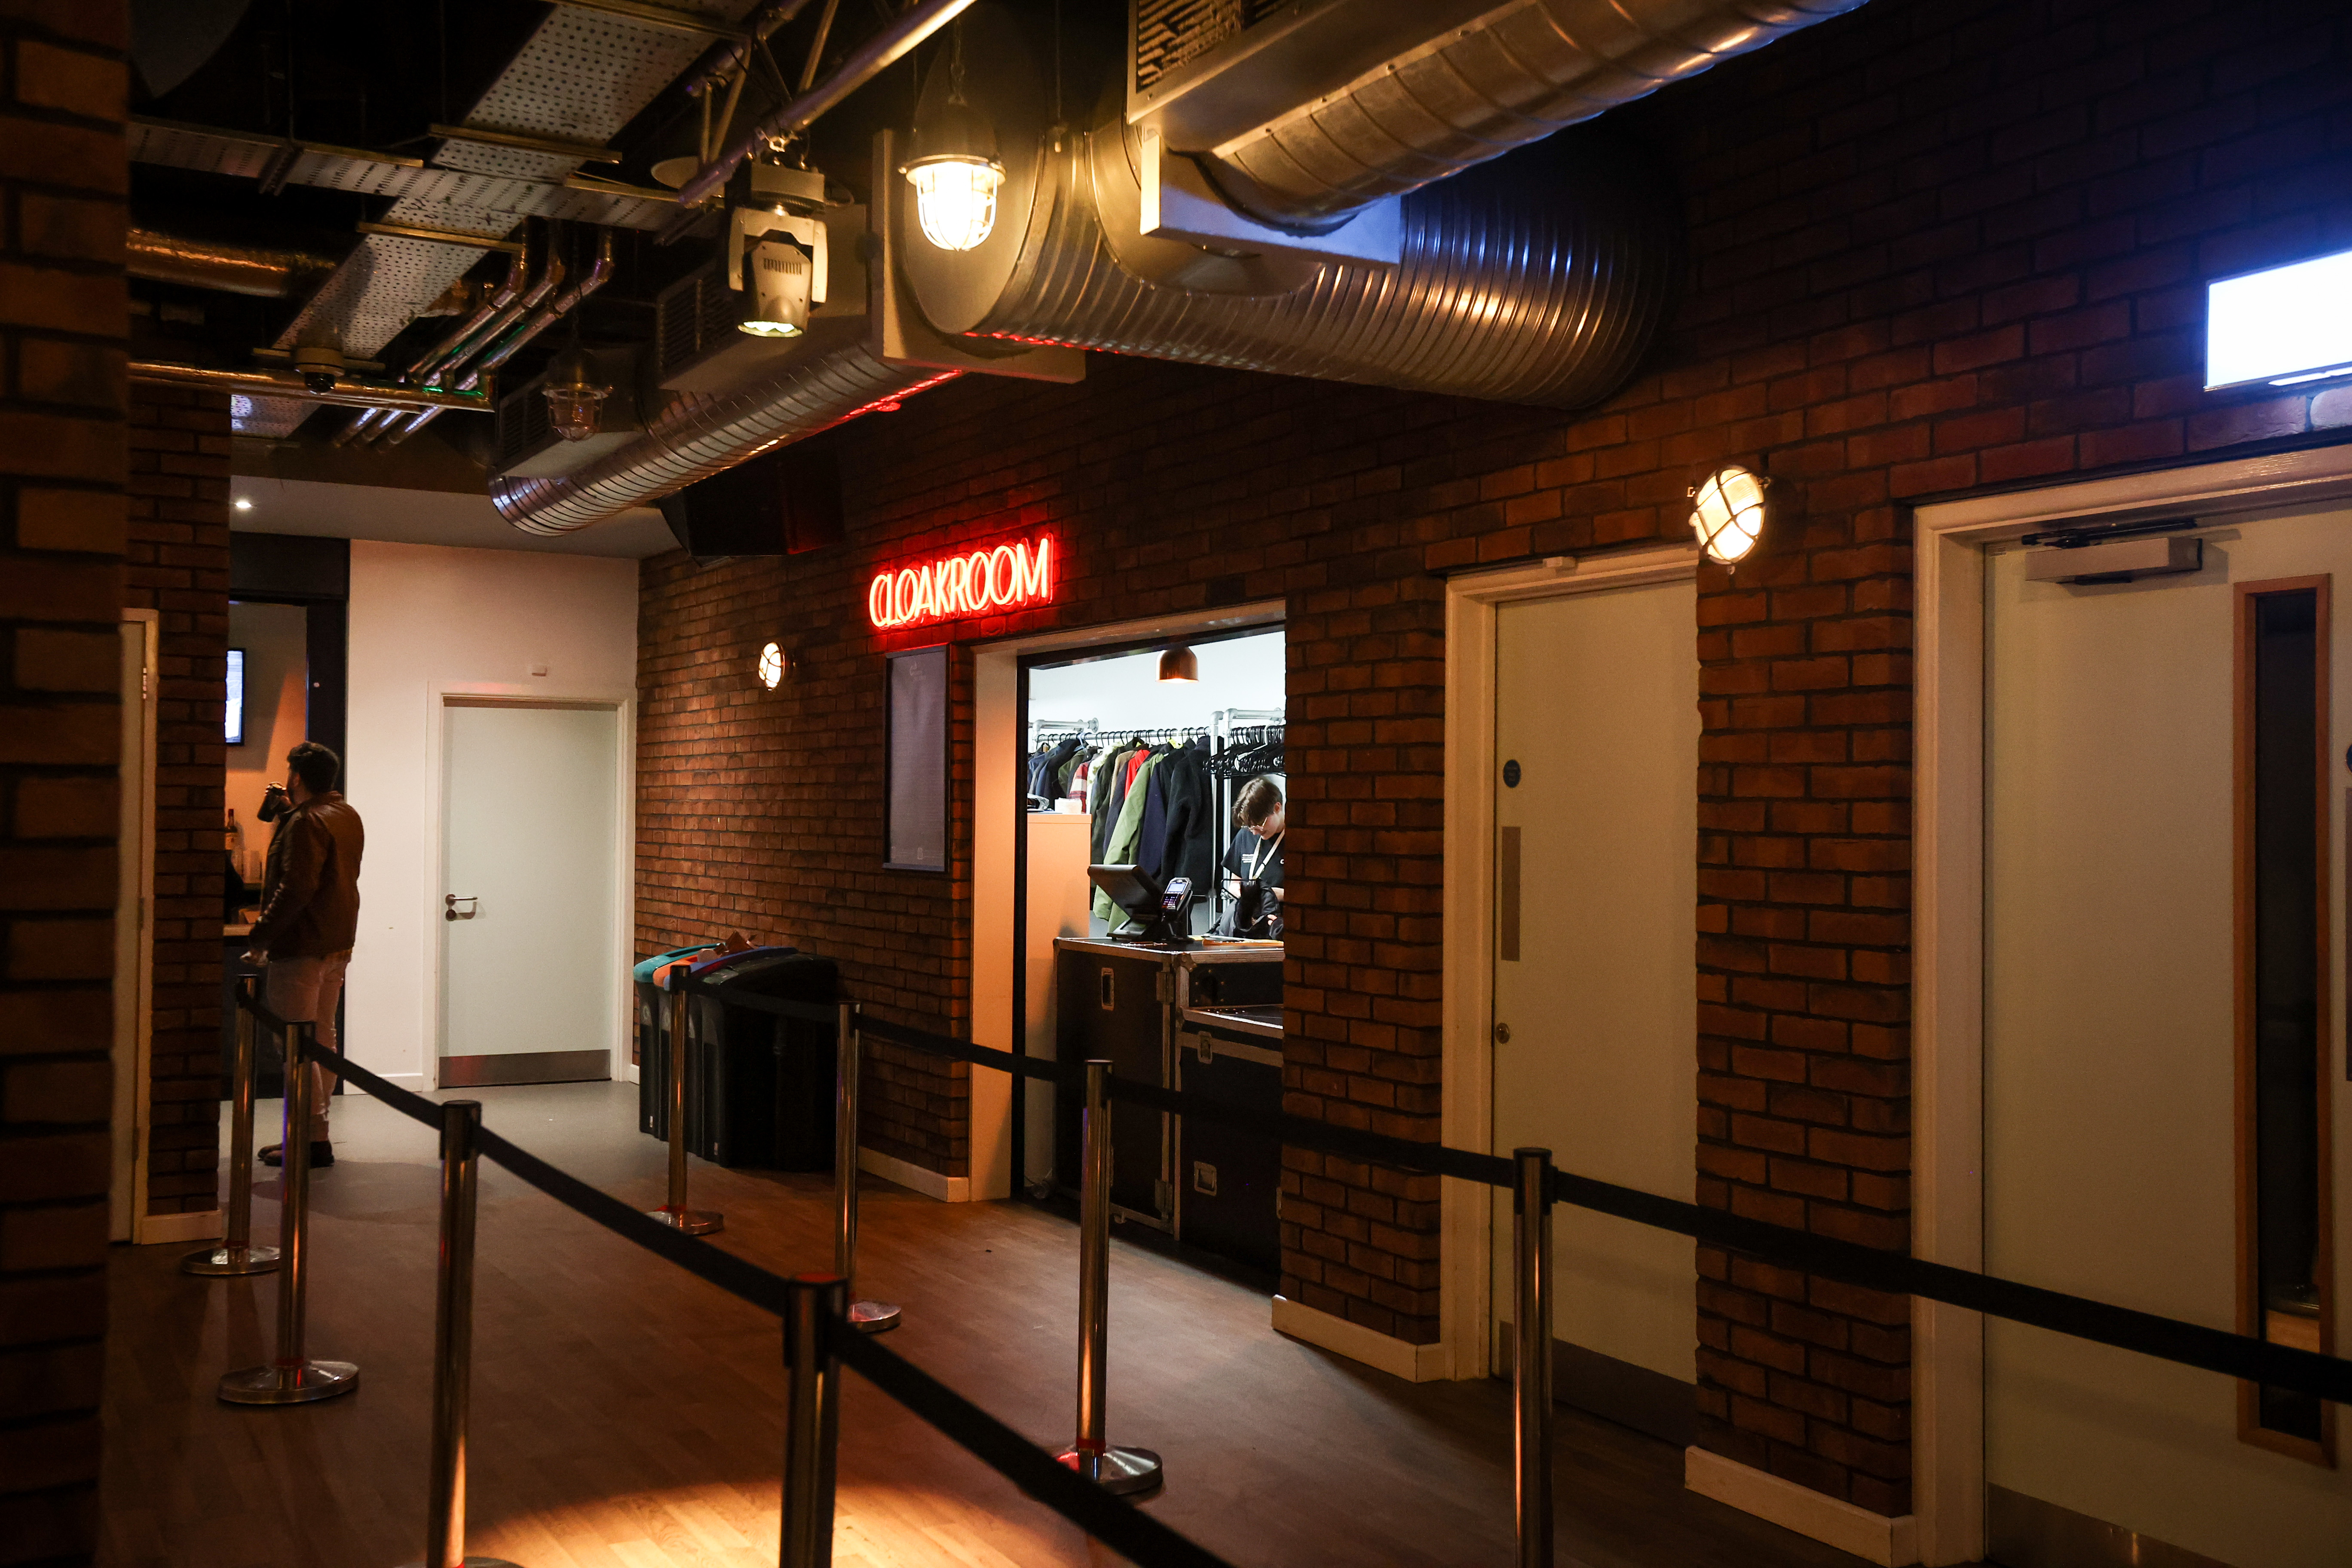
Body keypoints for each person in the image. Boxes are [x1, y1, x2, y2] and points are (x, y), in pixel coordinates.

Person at [245, 741, 363, 1169]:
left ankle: (311, 1139)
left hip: (301, 946)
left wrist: (260, 937)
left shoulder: (305, 822)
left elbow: (295, 889)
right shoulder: (346, 814)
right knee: (323, 1037)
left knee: (295, 1040)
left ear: (296, 777)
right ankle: (316, 1129)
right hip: (337, 942)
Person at [1219, 777, 1285, 939]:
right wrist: (1247, 895)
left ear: (1277, 808)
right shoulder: (1246, 835)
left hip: (1280, 930)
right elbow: (1235, 882)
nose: (1255, 832)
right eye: (1249, 826)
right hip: (1246, 929)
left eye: (1259, 824)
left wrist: (1278, 895)